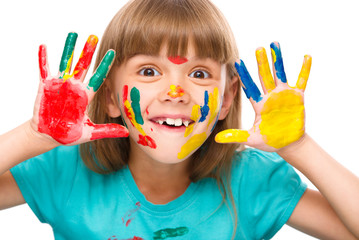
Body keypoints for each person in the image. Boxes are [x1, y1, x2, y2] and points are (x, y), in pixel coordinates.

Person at [0, 0, 358, 239]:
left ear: (227, 99)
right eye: (150, 70)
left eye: (199, 74)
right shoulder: (66, 172)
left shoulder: (252, 182)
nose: (176, 91)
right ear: (109, 96)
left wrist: (300, 147)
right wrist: (34, 137)